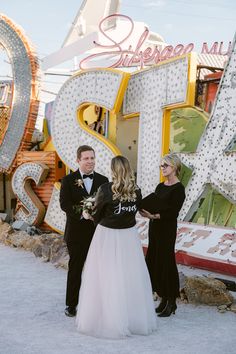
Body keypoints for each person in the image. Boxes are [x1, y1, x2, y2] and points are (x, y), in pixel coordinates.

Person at [76, 156, 157, 339]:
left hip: (107, 236)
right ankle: (132, 318)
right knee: (130, 275)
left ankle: (108, 319)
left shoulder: (105, 189)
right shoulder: (136, 190)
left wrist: (87, 214)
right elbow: (138, 209)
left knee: (104, 275)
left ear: (113, 170)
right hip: (129, 237)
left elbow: (97, 214)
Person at [60, 145, 108, 317]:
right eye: (86, 158)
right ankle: (71, 304)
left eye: (92, 158)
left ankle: (97, 304)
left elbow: (107, 204)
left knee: (98, 269)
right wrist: (83, 213)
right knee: (76, 268)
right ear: (78, 160)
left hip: (98, 233)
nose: (90, 161)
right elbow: (64, 204)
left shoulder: (104, 180)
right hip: (76, 233)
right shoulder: (67, 180)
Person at [140, 153, 185, 317]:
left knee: (167, 262)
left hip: (166, 229)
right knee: (155, 260)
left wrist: (156, 216)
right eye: (161, 165)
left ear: (174, 167)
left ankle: (171, 300)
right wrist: (146, 212)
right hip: (155, 228)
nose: (162, 168)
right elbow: (154, 204)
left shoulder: (179, 189)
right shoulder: (160, 186)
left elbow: (173, 212)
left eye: (165, 165)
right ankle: (163, 299)